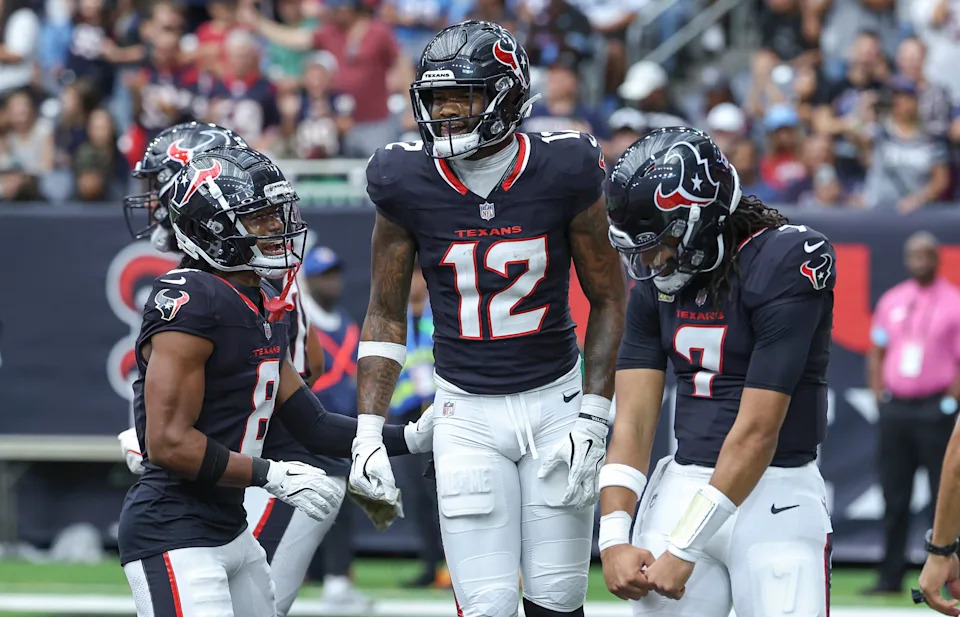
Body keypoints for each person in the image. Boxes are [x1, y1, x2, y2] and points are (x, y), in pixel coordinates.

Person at [351, 20, 626, 617]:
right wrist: (368, 431)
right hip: (465, 409)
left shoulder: (567, 166)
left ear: (505, 96)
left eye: (463, 96)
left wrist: (596, 415)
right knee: (487, 605)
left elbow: (608, 295)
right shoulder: (404, 178)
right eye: (435, 98)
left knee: (558, 599)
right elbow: (385, 311)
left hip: (557, 401)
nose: (445, 112)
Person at [118, 146, 434, 617]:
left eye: (277, 214)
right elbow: (166, 443)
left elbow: (315, 424)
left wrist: (410, 438)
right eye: (260, 218)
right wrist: (273, 474)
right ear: (215, 230)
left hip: (231, 527)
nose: (277, 227)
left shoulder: (253, 301)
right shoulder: (193, 300)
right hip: (175, 529)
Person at [600, 127, 834, 616]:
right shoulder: (655, 281)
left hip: (775, 493)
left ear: (703, 217)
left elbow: (757, 432)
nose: (650, 260)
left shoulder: (786, 259)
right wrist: (614, 535)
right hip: (685, 483)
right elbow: (634, 422)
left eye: (662, 241)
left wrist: (685, 546)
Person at [866, 231, 960, 595]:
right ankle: (891, 577)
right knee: (894, 495)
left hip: (936, 407)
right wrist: (879, 396)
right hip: (897, 409)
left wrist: (950, 401)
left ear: (937, 258)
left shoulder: (953, 301)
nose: (919, 259)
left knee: (944, 495)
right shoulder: (893, 300)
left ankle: (950, 574)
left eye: (926, 254)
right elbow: (877, 349)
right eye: (913, 254)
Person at [387, 263, 447, 589]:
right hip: (405, 414)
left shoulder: (441, 312)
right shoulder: (391, 316)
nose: (413, 283)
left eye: (418, 275)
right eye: (407, 275)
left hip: (440, 412)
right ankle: (429, 564)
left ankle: (453, 567)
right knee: (416, 494)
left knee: (442, 490)